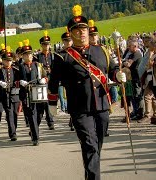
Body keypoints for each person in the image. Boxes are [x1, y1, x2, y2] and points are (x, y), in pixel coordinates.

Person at [48, 5, 125, 179]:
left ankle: (90, 173)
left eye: (84, 29)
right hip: (80, 109)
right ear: (71, 33)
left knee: (96, 146)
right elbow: (53, 82)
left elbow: (112, 70)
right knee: (90, 145)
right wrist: (52, 103)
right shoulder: (63, 57)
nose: (82, 33)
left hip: (102, 106)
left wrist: (119, 75)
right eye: (77, 30)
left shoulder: (101, 51)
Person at [19, 39, 48, 146]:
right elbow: (15, 81)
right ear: (22, 56)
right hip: (27, 94)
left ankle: (33, 130)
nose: (28, 56)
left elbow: (45, 76)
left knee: (40, 114)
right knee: (31, 115)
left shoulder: (38, 65)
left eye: (30, 54)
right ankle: (35, 138)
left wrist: (44, 80)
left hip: (38, 92)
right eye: (26, 55)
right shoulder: (20, 67)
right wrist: (20, 82)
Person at [0, 46, 21, 141]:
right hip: (4, 95)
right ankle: (12, 133)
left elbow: (19, 81)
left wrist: (18, 83)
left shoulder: (16, 70)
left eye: (10, 60)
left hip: (15, 94)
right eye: (6, 60)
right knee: (9, 114)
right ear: (3, 61)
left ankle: (14, 129)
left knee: (15, 114)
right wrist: (0, 83)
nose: (8, 62)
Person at [36, 31, 61, 130]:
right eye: (44, 44)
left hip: (52, 80)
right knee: (43, 102)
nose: (46, 46)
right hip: (42, 81)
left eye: (48, 44)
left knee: (51, 100)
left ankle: (50, 121)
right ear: (41, 45)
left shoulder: (54, 56)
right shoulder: (38, 56)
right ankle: (45, 120)